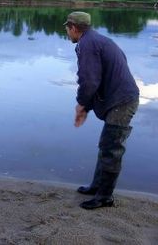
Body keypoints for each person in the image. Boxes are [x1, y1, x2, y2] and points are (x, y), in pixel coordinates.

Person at [64, 11, 139, 210]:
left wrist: (81, 104)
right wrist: (86, 108)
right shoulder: (95, 39)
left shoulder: (88, 44)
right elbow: (95, 79)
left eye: (67, 28)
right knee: (106, 145)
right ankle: (97, 186)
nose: (67, 32)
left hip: (122, 101)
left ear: (73, 27)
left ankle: (105, 196)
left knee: (111, 148)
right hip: (119, 98)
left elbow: (89, 81)